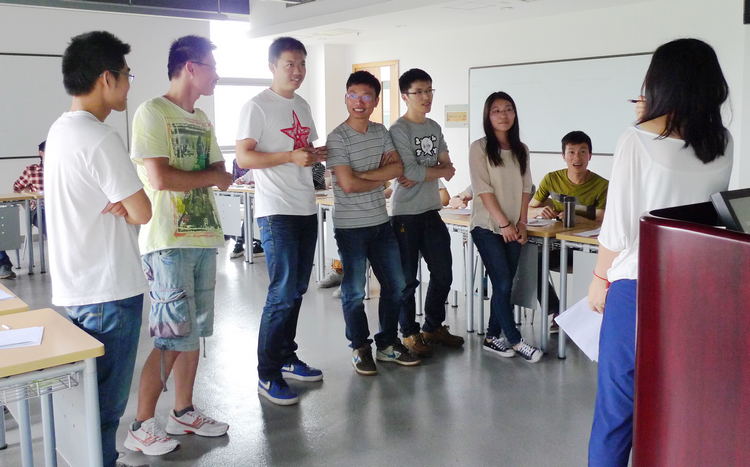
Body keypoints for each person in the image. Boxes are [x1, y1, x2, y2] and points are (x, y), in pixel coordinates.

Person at [587, 38, 733, 467]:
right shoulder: (722, 141)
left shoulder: (636, 139)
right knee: (677, 403)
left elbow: (618, 227)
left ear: (661, 82)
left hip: (638, 287)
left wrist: (598, 280)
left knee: (617, 407)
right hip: (699, 287)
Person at [44, 31, 152, 467]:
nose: (128, 85)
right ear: (107, 78)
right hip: (109, 289)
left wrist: (124, 202)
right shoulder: (100, 137)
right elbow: (142, 210)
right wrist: (128, 203)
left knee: (87, 402)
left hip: (77, 284)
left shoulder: (60, 131)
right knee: (106, 406)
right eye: (127, 76)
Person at [126, 35, 232, 456]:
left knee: (195, 333)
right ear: (191, 67)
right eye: (212, 66)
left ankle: (183, 411)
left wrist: (210, 175)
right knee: (170, 336)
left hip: (203, 236)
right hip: (167, 240)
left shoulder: (202, 118)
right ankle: (140, 424)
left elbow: (221, 170)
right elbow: (161, 178)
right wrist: (210, 175)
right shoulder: (152, 111)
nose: (216, 75)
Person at [236, 37, 327, 406]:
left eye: (302, 63)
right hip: (276, 211)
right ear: (272, 66)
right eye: (290, 63)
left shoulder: (302, 105)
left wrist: (316, 155)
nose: (298, 70)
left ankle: (287, 357)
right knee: (282, 292)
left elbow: (305, 153)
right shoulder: (257, 106)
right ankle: (268, 373)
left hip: (306, 207)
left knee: (297, 290)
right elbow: (244, 157)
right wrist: (291, 156)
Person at [327, 70, 421, 375]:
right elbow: (347, 185)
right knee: (354, 291)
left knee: (396, 285)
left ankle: (387, 344)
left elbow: (397, 168)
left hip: (381, 223)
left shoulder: (381, 132)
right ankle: (360, 347)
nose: (359, 102)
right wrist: (378, 179)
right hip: (350, 227)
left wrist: (363, 175)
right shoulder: (337, 138)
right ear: (346, 98)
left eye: (367, 96)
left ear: (376, 101)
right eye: (353, 95)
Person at [389, 68, 464, 358]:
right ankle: (409, 333)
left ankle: (432, 327)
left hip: (432, 211)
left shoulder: (434, 126)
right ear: (405, 96)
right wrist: (432, 171)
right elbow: (409, 171)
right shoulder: (399, 129)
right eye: (419, 91)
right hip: (405, 214)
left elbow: (449, 167)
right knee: (407, 279)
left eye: (429, 90)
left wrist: (425, 172)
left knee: (443, 272)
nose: (426, 96)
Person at [469, 91, 542, 363]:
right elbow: (483, 189)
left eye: (508, 109)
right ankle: (515, 340)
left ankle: (491, 337)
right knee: (501, 282)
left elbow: (526, 188)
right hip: (488, 226)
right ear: (487, 116)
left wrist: (522, 222)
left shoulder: (521, 149)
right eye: (496, 110)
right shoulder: (479, 148)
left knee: (506, 284)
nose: (503, 115)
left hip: (513, 226)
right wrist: (503, 223)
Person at [528, 131, 608, 324]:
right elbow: (528, 210)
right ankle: (556, 311)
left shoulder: (602, 185)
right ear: (563, 156)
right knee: (531, 263)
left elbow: (602, 221)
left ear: (590, 156)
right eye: (571, 152)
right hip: (558, 245)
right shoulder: (551, 179)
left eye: (582, 151)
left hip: (588, 250)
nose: (576, 157)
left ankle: (588, 320)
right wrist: (539, 211)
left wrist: (577, 219)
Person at [229, 158, 262, 259]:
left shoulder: (261, 162)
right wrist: (240, 181)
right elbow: (238, 180)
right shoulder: (237, 161)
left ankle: (241, 242)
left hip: (262, 201)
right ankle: (242, 242)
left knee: (252, 212)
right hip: (248, 198)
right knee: (250, 212)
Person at [14, 140, 46, 230]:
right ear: (41, 153)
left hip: (58, 206)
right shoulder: (32, 170)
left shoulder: (60, 169)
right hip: (39, 208)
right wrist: (26, 206)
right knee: (51, 227)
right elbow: (17, 188)